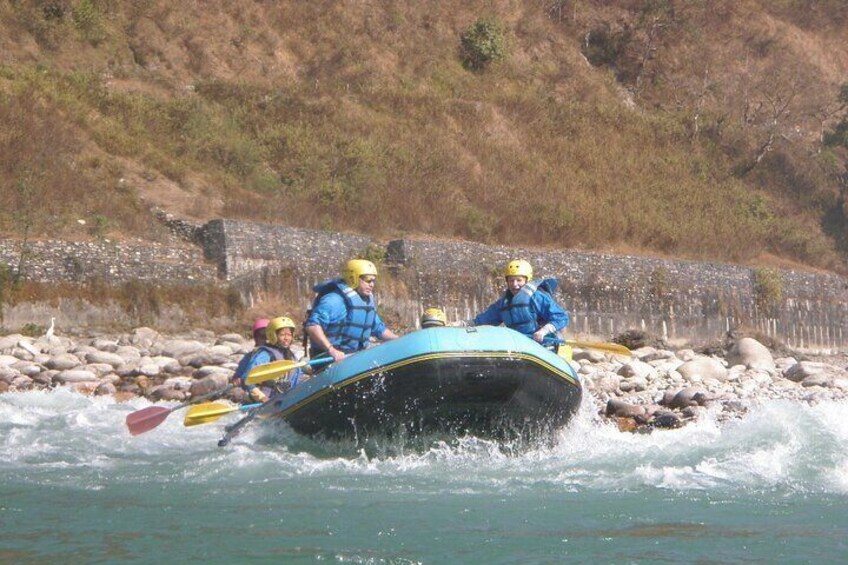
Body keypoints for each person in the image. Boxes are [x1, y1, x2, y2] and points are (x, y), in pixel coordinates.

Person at [305, 259, 398, 362]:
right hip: (329, 358)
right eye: (368, 280)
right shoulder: (334, 300)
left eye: (373, 281)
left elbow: (379, 329)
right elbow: (312, 327)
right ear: (353, 278)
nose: (372, 284)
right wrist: (331, 350)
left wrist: (399, 341)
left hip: (353, 357)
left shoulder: (365, 302)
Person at [465, 259, 569, 345]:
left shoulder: (537, 297)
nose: (515, 284)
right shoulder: (504, 303)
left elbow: (561, 317)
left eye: (519, 280)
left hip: (544, 345)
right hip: (520, 346)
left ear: (527, 281)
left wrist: (544, 331)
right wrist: (464, 323)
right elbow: (485, 319)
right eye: (511, 280)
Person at [234, 316, 304, 403]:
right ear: (273, 335)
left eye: (289, 335)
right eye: (282, 335)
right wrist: (263, 398)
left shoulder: (291, 356)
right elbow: (247, 380)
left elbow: (298, 377)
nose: (286, 338)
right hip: (266, 400)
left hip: (285, 399)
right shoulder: (265, 354)